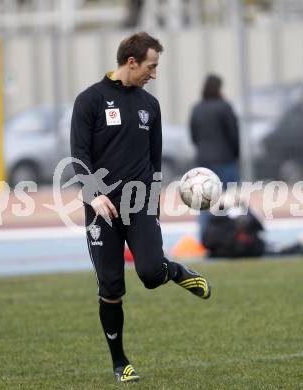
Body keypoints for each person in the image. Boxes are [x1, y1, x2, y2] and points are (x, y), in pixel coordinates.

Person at [70, 32, 211, 383]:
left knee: (150, 274)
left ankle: (175, 271)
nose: (154, 73)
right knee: (112, 287)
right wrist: (94, 194)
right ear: (131, 62)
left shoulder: (150, 105)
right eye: (151, 65)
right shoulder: (90, 100)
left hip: (141, 203)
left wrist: (154, 197)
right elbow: (79, 155)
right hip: (101, 208)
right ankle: (121, 363)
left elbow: (154, 158)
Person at [189, 74, 240, 241]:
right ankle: (232, 235)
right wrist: (235, 154)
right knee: (230, 200)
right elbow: (233, 134)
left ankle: (205, 238)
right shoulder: (225, 107)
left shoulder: (197, 108)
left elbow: (194, 136)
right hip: (225, 160)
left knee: (204, 201)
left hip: (203, 162)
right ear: (219, 89)